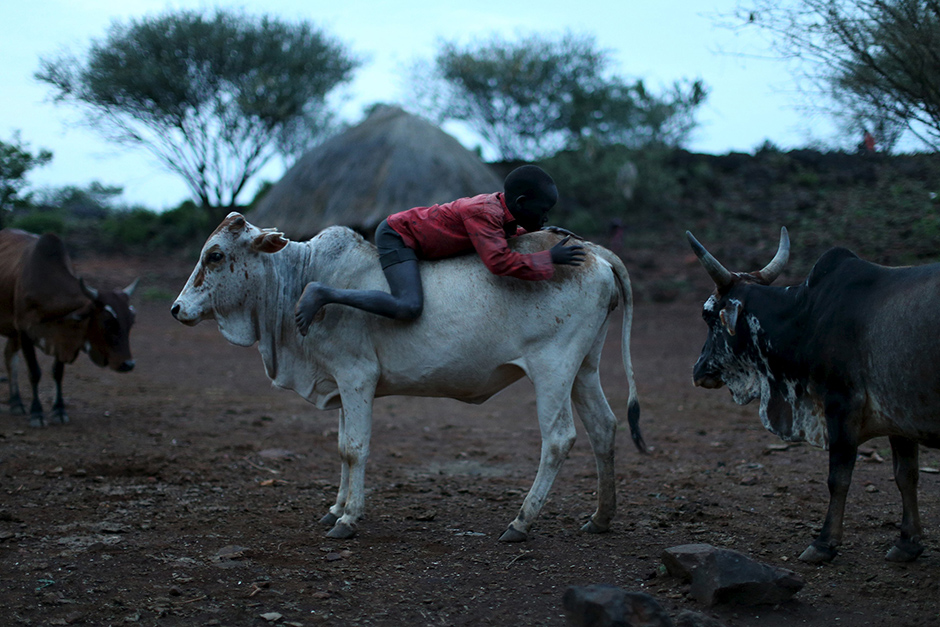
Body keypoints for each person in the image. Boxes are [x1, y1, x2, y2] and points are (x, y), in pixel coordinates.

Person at [294, 165, 585, 335]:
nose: (545, 218)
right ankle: (325, 293)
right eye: (543, 212)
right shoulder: (484, 211)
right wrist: (548, 257)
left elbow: (506, 236)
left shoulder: (502, 212)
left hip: (420, 235)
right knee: (408, 306)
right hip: (399, 235)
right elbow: (497, 262)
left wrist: (542, 234)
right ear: (520, 203)